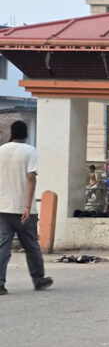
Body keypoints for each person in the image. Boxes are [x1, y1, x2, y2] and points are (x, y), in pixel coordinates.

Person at [0, 120, 52, 295]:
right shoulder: (29, 151)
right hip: (23, 209)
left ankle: (0, 283)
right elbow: (31, 177)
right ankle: (39, 280)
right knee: (31, 246)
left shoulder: (1, 150)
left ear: (12, 133)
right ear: (26, 133)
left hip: (3, 208)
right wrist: (28, 206)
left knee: (3, 246)